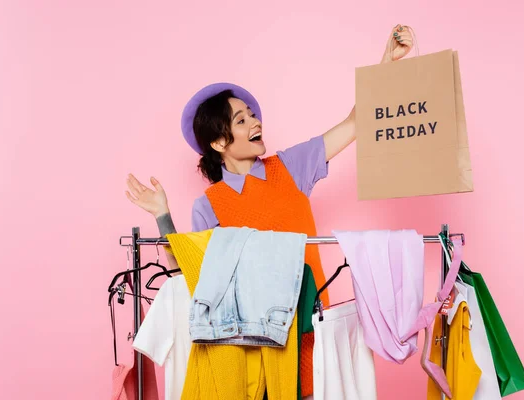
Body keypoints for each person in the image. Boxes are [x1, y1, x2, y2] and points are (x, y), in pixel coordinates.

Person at [125, 24, 414, 399]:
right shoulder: (208, 205)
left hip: (309, 329)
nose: (255, 122)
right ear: (218, 141)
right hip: (249, 345)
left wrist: (386, 64)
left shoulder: (290, 167)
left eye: (252, 115)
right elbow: (191, 277)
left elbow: (355, 123)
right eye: (241, 120)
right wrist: (162, 214)